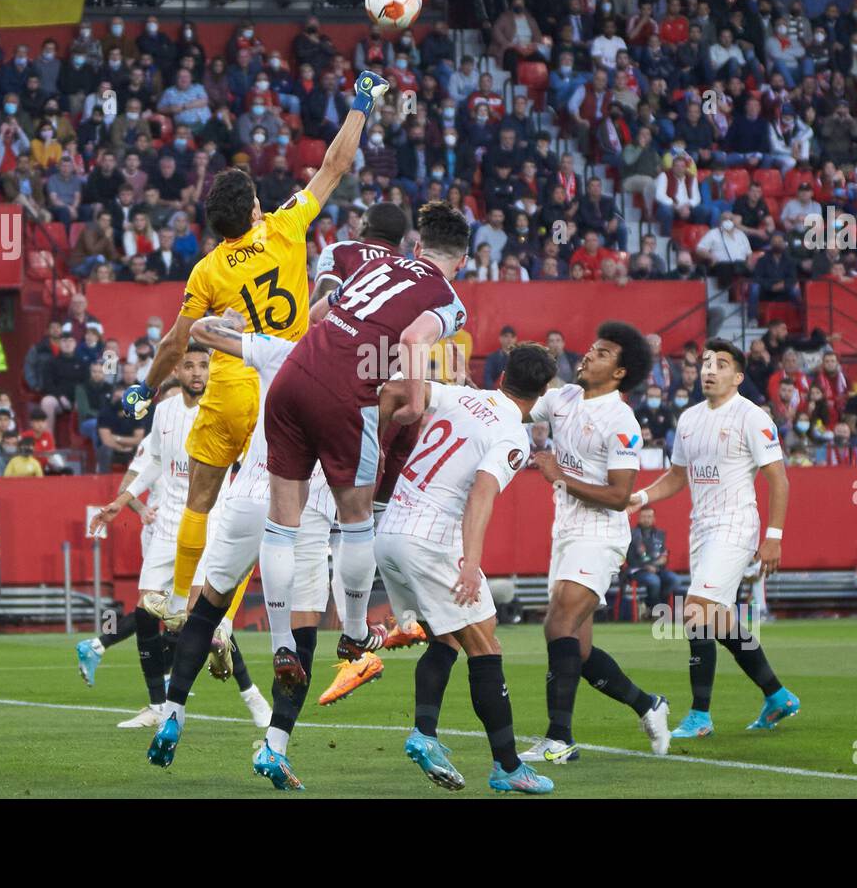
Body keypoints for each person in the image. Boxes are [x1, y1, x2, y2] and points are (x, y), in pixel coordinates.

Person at [117, 70, 389, 638]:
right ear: (256, 209)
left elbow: (175, 341)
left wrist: (146, 386)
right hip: (291, 382)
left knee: (204, 499)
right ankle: (250, 620)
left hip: (233, 386)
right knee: (275, 515)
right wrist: (361, 102)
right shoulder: (286, 228)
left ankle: (179, 601)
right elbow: (334, 167)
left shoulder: (207, 269)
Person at [255, 197, 469, 730]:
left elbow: (320, 314)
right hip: (345, 395)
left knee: (282, 521)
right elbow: (417, 337)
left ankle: (281, 643)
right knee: (357, 520)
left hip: (293, 374)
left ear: (417, 247)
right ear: (461, 262)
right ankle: (353, 632)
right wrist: (415, 398)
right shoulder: (447, 296)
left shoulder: (375, 263)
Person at [146, 313, 364, 786]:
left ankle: (172, 712)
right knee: (303, 632)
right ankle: (275, 746)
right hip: (306, 509)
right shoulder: (360, 372)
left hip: (248, 496)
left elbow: (200, 332)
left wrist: (222, 319)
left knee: (208, 607)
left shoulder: (279, 350)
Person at [367, 344, 562, 794]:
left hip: (390, 527)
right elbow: (481, 492)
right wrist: (472, 563)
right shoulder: (514, 436)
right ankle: (508, 768)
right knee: (486, 647)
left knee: (452, 636)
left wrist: (377, 441)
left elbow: (395, 389)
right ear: (542, 392)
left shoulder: (459, 396)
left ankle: (426, 732)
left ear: (501, 374)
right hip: (431, 540)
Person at [85, 344, 270, 730]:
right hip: (166, 527)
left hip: (208, 523)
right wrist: (121, 502)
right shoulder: (164, 412)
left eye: (204, 365)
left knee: (204, 615)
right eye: (189, 365)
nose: (197, 372)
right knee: (143, 611)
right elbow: (154, 462)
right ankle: (157, 705)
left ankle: (252, 698)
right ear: (178, 371)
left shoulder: (222, 410)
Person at [629, 339, 799, 738]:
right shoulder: (688, 419)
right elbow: (676, 478)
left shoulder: (753, 417)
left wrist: (773, 537)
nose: (709, 369)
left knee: (695, 612)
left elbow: (779, 479)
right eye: (707, 363)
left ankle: (700, 715)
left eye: (720, 364)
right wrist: (639, 497)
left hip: (737, 525)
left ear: (738, 377)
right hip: (701, 529)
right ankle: (777, 694)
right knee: (716, 620)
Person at [519, 322, 671, 763]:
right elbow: (516, 407)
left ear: (620, 373)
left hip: (601, 533)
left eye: (602, 354)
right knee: (578, 650)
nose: (588, 355)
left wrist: (559, 477)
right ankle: (648, 704)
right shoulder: (563, 396)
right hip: (565, 531)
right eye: (591, 348)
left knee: (557, 624)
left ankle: (560, 739)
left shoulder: (622, 422)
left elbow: (620, 496)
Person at [624, 505, 679, 618]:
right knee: (654, 581)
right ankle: (656, 610)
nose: (646, 519)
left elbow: (664, 556)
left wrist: (656, 565)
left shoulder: (660, 534)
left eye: (649, 516)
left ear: (654, 519)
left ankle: (652, 606)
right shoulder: (632, 534)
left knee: (675, 580)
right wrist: (647, 566)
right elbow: (630, 558)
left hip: (657, 569)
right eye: (644, 516)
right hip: (638, 570)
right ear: (639, 518)